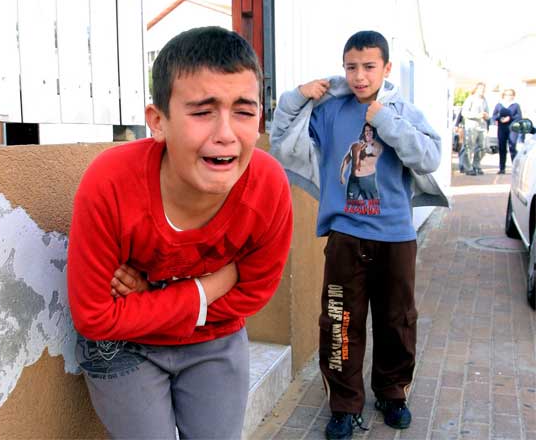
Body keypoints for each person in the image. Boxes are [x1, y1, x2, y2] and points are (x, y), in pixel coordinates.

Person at [67, 26, 293, 440]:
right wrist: (213, 284)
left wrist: (150, 294)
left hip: (215, 339)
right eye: (203, 111)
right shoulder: (110, 184)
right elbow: (94, 315)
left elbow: (254, 293)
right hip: (122, 346)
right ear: (158, 121)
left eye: (244, 111)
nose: (226, 133)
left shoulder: (268, 187)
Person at [270, 30, 446, 440]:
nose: (359, 76)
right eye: (351, 67)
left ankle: (392, 393)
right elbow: (282, 140)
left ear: (386, 68)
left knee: (397, 319)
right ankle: (345, 404)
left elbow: (430, 155)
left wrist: (384, 119)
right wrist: (297, 96)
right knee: (339, 320)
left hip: (396, 236)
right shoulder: (331, 111)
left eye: (369, 67)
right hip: (346, 234)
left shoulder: (402, 111)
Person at [340, 122, 383, 200]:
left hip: (367, 179)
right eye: (366, 131)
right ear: (363, 132)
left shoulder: (376, 146)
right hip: (353, 179)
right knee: (350, 205)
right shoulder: (355, 146)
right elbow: (346, 160)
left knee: (373, 207)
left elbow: (372, 151)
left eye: (370, 130)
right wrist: (342, 175)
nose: (368, 133)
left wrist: (367, 147)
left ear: (373, 133)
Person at [460, 82, 489, 175]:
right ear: (476, 89)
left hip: (482, 126)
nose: (482, 91)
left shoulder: (484, 100)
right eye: (480, 89)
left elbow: (488, 114)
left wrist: (486, 116)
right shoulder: (470, 99)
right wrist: (477, 115)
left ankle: (476, 165)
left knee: (483, 147)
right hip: (471, 125)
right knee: (469, 147)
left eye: (483, 89)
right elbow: (464, 113)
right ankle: (467, 167)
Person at [491, 88, 522, 174]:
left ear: (513, 96)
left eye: (511, 95)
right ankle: (502, 168)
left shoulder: (516, 105)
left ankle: (515, 168)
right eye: (507, 94)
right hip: (502, 128)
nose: (509, 96)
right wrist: (500, 118)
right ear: (504, 95)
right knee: (502, 148)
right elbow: (493, 116)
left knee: (512, 147)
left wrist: (510, 118)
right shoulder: (499, 105)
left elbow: (519, 117)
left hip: (513, 129)